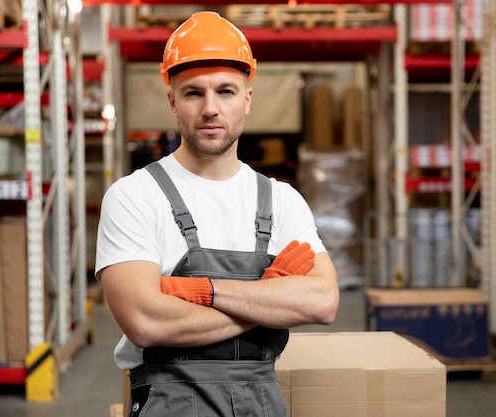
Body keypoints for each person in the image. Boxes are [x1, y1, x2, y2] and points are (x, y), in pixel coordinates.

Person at [95, 10, 340, 417]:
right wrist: (267, 302)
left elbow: (323, 301)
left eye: (225, 91)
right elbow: (145, 321)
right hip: (168, 402)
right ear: (173, 101)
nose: (210, 108)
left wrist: (205, 292)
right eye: (194, 93)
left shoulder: (282, 201)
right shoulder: (135, 196)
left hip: (262, 402)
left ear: (247, 98)